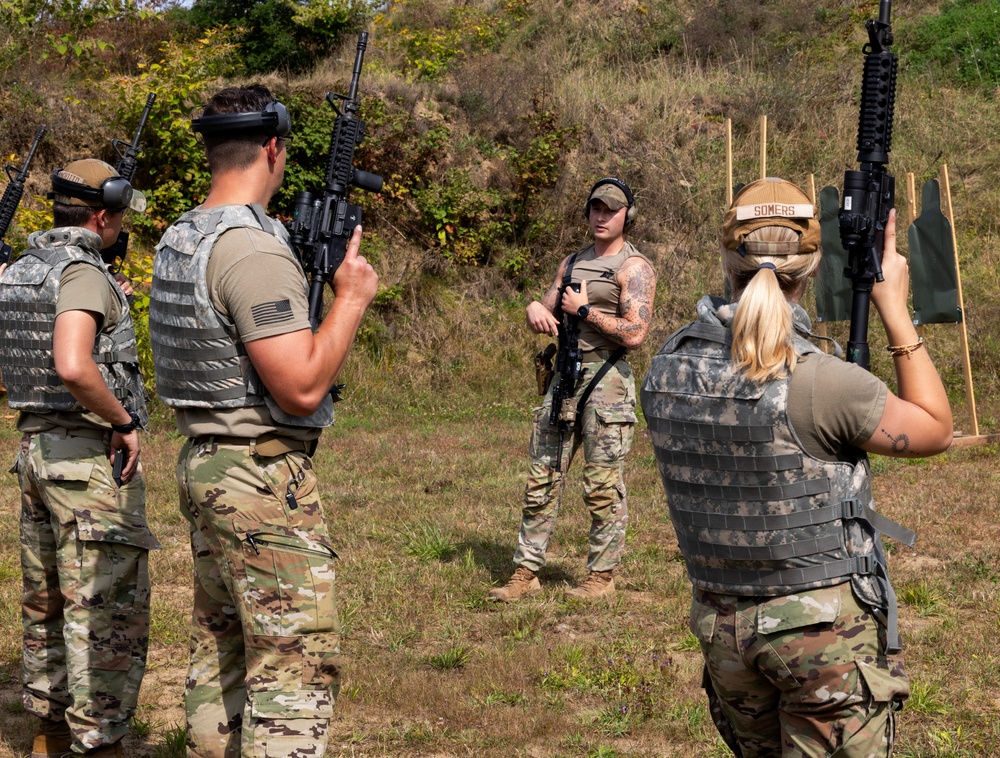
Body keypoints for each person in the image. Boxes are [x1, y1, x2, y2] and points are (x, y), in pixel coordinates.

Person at [640, 177, 953, 756]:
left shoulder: (666, 368)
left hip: (723, 631)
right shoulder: (820, 382)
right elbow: (935, 429)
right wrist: (895, 311)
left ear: (725, 257)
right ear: (811, 270)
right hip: (820, 636)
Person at [148, 84, 378, 758]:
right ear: (275, 148)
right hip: (257, 473)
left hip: (209, 461)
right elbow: (302, 385)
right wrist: (353, 299)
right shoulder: (251, 252)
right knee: (293, 663)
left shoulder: (182, 235)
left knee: (221, 646)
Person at [0, 159, 158, 758]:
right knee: (103, 608)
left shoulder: (22, 271)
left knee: (45, 600)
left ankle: (49, 732)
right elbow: (73, 363)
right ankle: (101, 742)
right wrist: (123, 420)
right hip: (85, 459)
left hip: (35, 454)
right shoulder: (81, 272)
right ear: (102, 215)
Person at [489, 178, 656, 602]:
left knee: (602, 483)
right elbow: (546, 308)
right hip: (565, 375)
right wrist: (533, 309)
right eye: (595, 208)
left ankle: (602, 576)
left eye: (611, 210)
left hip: (608, 380)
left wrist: (585, 311)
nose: (601, 216)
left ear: (626, 216)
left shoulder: (634, 268)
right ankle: (525, 572)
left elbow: (636, 332)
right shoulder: (572, 262)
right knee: (541, 475)